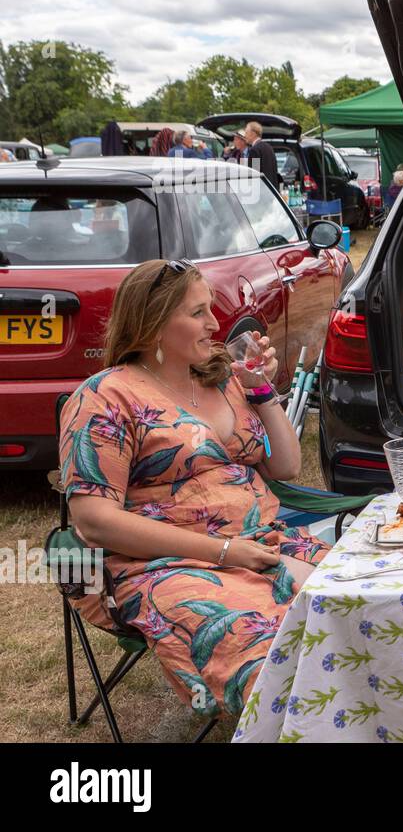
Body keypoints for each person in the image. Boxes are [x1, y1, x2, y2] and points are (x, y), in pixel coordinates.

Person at [57, 259, 329, 719]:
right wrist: (224, 551)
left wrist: (261, 390)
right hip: (165, 564)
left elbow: (285, 465)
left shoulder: (220, 379)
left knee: (363, 602)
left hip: (265, 542)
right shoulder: (106, 398)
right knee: (269, 642)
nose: (214, 323)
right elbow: (94, 521)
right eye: (197, 313)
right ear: (153, 327)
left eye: (210, 309)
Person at [242, 121, 282, 191]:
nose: (245, 136)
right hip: (273, 191)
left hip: (262, 192)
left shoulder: (255, 150)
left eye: (246, 133)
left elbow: (254, 175)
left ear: (253, 134)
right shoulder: (269, 147)